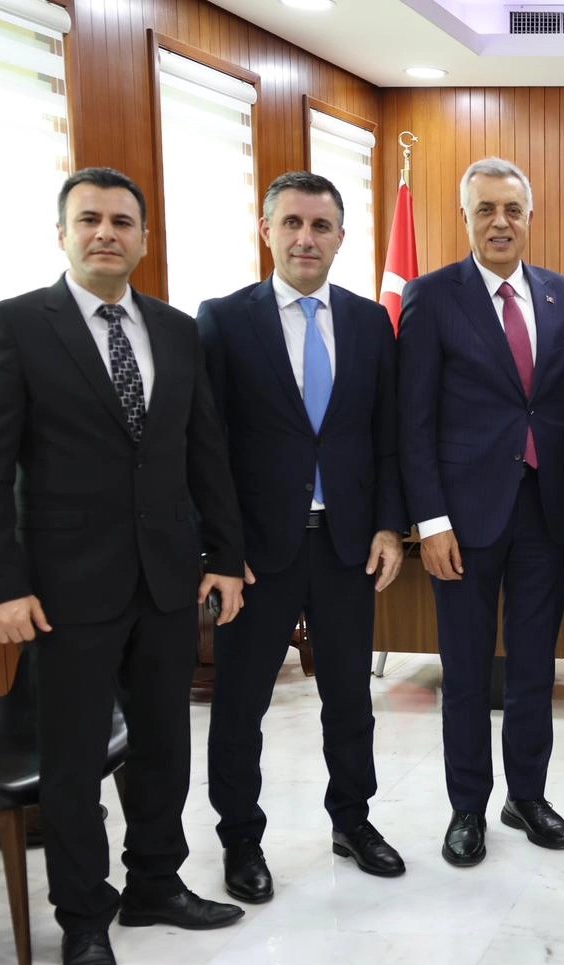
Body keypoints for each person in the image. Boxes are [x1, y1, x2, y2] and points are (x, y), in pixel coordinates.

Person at [0, 167, 246, 965]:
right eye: (89, 219)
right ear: (62, 233)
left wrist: (225, 556)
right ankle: (84, 919)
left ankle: (156, 884)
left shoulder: (174, 330)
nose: (106, 233)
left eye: (122, 221)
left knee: (165, 743)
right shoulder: (13, 326)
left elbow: (204, 449)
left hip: (167, 579)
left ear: (143, 238)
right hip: (63, 590)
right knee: (73, 762)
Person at [199, 171, 408, 905]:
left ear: (341, 237)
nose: (305, 238)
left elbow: (386, 435)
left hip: (347, 544)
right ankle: (240, 839)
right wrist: (221, 553)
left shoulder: (369, 322)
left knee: (350, 699)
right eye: (291, 223)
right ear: (267, 231)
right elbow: (207, 445)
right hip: (257, 554)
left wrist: (388, 526)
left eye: (320, 226)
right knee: (241, 705)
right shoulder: (224, 320)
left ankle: (353, 821)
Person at [398, 157, 564, 867]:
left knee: (536, 667)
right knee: (467, 672)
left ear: (530, 217)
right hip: (463, 521)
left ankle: (527, 797)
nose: (500, 222)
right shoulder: (431, 296)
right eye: (485, 209)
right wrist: (431, 522)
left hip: (544, 513)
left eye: (512, 209)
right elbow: (413, 420)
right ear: (466, 218)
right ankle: (468, 808)